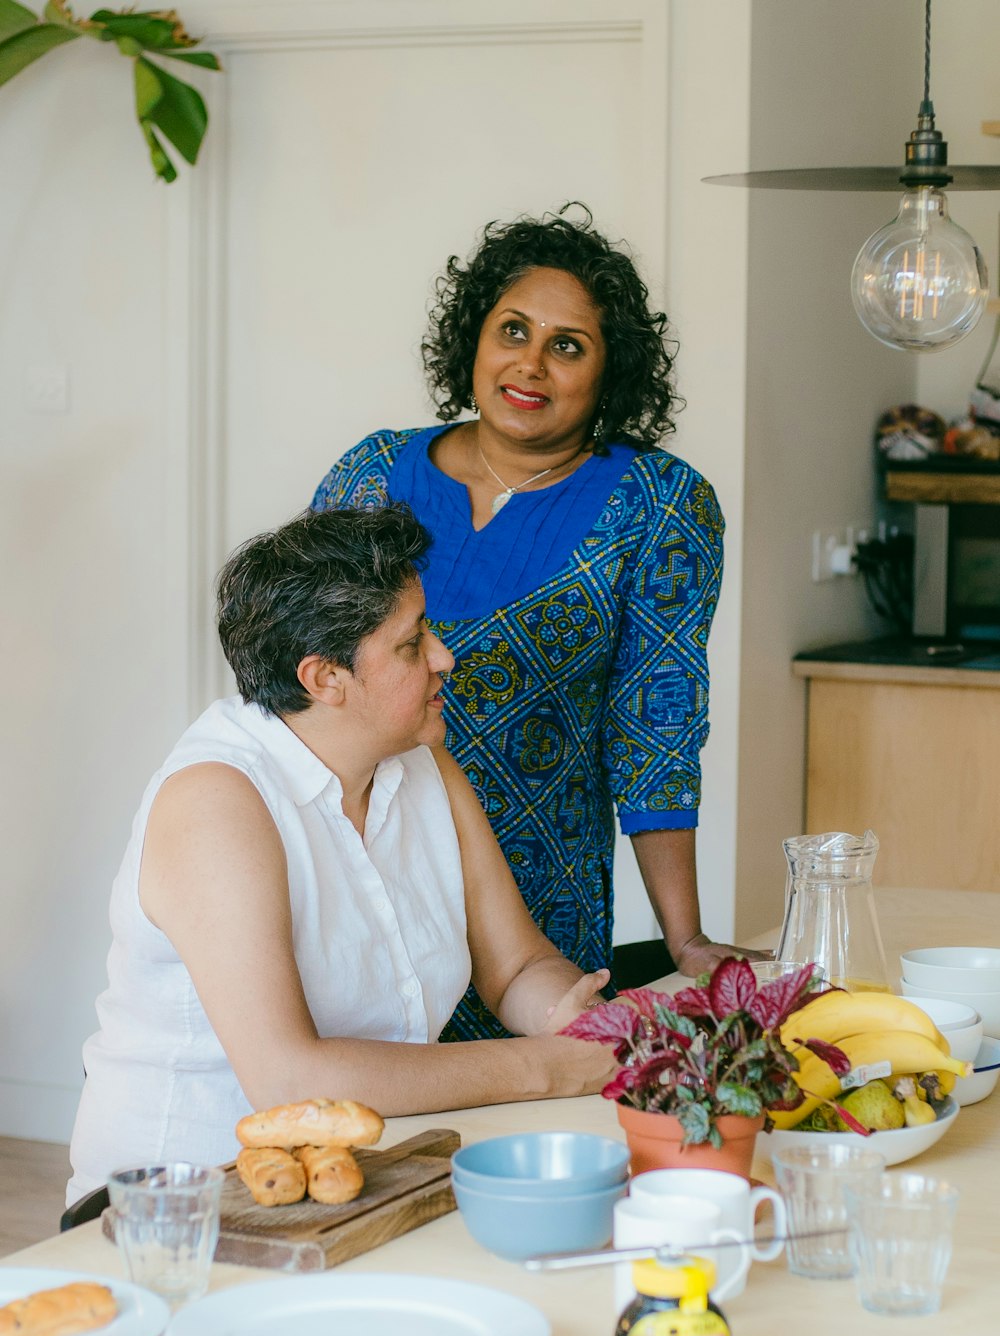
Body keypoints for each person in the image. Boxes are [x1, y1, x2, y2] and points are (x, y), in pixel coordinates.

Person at [67, 506, 614, 1204]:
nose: (444, 656)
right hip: (182, 1207)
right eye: (413, 644)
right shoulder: (216, 802)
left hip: (362, 1178)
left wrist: (568, 1017)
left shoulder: (419, 758)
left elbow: (515, 967)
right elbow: (289, 1079)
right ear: (325, 678)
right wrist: (553, 1066)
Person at [313, 206, 759, 1042]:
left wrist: (684, 936)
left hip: (538, 910)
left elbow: (654, 725)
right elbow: (297, 684)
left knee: (531, 1134)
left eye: (567, 345)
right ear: (472, 342)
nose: (530, 362)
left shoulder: (660, 505)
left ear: (608, 373)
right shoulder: (372, 473)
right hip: (365, 880)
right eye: (512, 329)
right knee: (366, 1133)